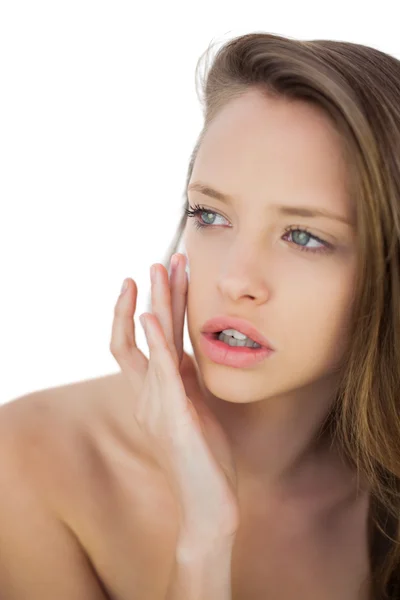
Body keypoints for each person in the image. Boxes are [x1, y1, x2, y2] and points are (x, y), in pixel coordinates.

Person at [1, 31, 399, 600]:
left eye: (304, 236)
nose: (235, 278)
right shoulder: (28, 462)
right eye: (210, 214)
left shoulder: (383, 487)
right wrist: (205, 539)